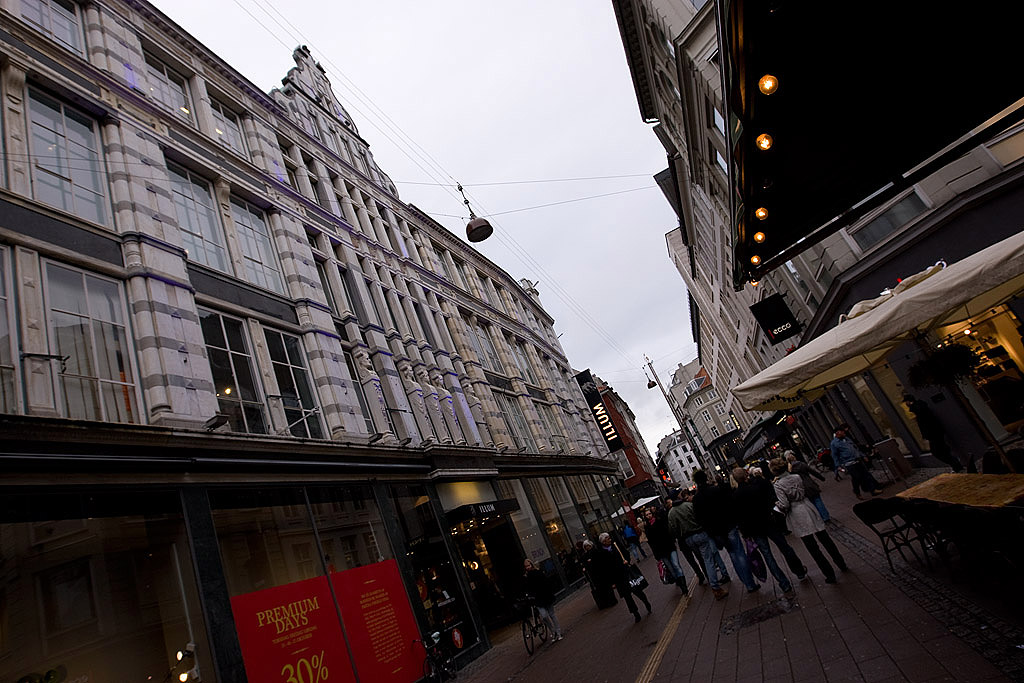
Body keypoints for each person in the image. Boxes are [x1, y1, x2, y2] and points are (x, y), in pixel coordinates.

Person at [769, 458, 848, 584]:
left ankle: (829, 573)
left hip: (796, 513)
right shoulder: (796, 477)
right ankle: (841, 563)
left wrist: (777, 505)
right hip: (808, 506)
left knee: (812, 546)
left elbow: (784, 504)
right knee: (825, 538)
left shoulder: (778, 485)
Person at [692, 469, 761, 594]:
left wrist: (711, 532)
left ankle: (747, 583)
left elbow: (699, 519)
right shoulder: (716, 490)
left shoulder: (696, 499)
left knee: (733, 555)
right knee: (740, 553)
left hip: (716, 532)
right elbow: (729, 505)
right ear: (706, 478)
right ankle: (750, 583)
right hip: (728, 526)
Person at [732, 467, 796, 598]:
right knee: (784, 546)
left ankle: (784, 583)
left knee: (768, 556)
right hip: (768, 523)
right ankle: (798, 569)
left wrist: (745, 534)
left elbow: (739, 517)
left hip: (754, 530)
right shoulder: (755, 488)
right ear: (746, 475)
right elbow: (767, 503)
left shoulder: (736, 496)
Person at [669, 489, 731, 600]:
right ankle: (715, 587)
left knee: (704, 558)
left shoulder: (671, 513)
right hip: (699, 533)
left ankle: (712, 580)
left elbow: (673, 530)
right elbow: (699, 518)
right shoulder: (688, 506)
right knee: (708, 559)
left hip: (687, 539)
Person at [589, 532, 651, 623]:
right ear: (603, 542)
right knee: (627, 597)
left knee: (637, 590)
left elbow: (626, 553)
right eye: (607, 538)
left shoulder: (616, 545)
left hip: (626, 572)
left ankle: (646, 602)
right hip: (617, 578)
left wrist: (627, 560)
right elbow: (604, 569)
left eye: (609, 537)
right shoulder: (600, 553)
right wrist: (612, 582)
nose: (610, 539)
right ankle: (635, 613)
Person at [903, 394, 964, 472]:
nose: (906, 404)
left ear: (909, 401)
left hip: (933, 434)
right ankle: (956, 465)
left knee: (937, 452)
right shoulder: (920, 408)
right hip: (935, 433)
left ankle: (956, 464)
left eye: (906, 402)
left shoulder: (919, 409)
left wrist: (927, 434)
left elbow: (925, 423)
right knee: (942, 450)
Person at [643, 505, 688, 594]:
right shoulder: (647, 528)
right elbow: (651, 542)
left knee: (676, 565)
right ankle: (679, 582)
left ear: (652, 514)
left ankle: (684, 586)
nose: (648, 516)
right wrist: (656, 555)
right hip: (661, 552)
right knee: (671, 569)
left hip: (669, 547)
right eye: (647, 515)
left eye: (649, 514)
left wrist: (672, 541)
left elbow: (668, 531)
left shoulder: (660, 521)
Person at [830, 427, 882, 498]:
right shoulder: (834, 443)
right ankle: (857, 491)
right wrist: (838, 466)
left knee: (866, 475)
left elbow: (855, 448)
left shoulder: (847, 439)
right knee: (857, 478)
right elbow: (835, 455)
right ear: (837, 433)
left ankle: (873, 490)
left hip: (857, 460)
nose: (844, 433)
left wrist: (863, 455)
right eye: (842, 431)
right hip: (849, 463)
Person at [522, 559, 562, 641]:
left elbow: (546, 582)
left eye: (529, 565)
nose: (528, 567)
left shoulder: (538, 572)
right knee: (544, 616)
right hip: (538, 599)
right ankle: (553, 631)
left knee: (552, 614)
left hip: (546, 596)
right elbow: (527, 588)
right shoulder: (526, 577)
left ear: (532, 565)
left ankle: (558, 632)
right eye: (526, 566)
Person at [787, 451, 831, 523]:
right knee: (818, 500)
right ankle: (825, 516)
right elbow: (812, 471)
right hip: (810, 484)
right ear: (794, 458)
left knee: (812, 503)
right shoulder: (801, 464)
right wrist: (821, 478)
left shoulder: (790, 470)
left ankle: (819, 517)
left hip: (802, 488)